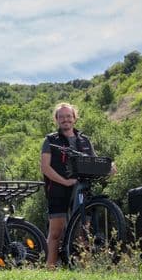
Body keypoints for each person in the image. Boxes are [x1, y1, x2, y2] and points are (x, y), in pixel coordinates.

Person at [39, 102, 99, 269]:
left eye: (68, 116)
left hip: (83, 189)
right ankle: (50, 268)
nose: (65, 119)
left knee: (83, 232)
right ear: (56, 119)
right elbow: (45, 167)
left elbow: (94, 162)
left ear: (74, 118)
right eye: (62, 117)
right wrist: (65, 181)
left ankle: (83, 269)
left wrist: (109, 167)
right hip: (58, 189)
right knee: (56, 233)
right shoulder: (50, 140)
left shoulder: (85, 140)